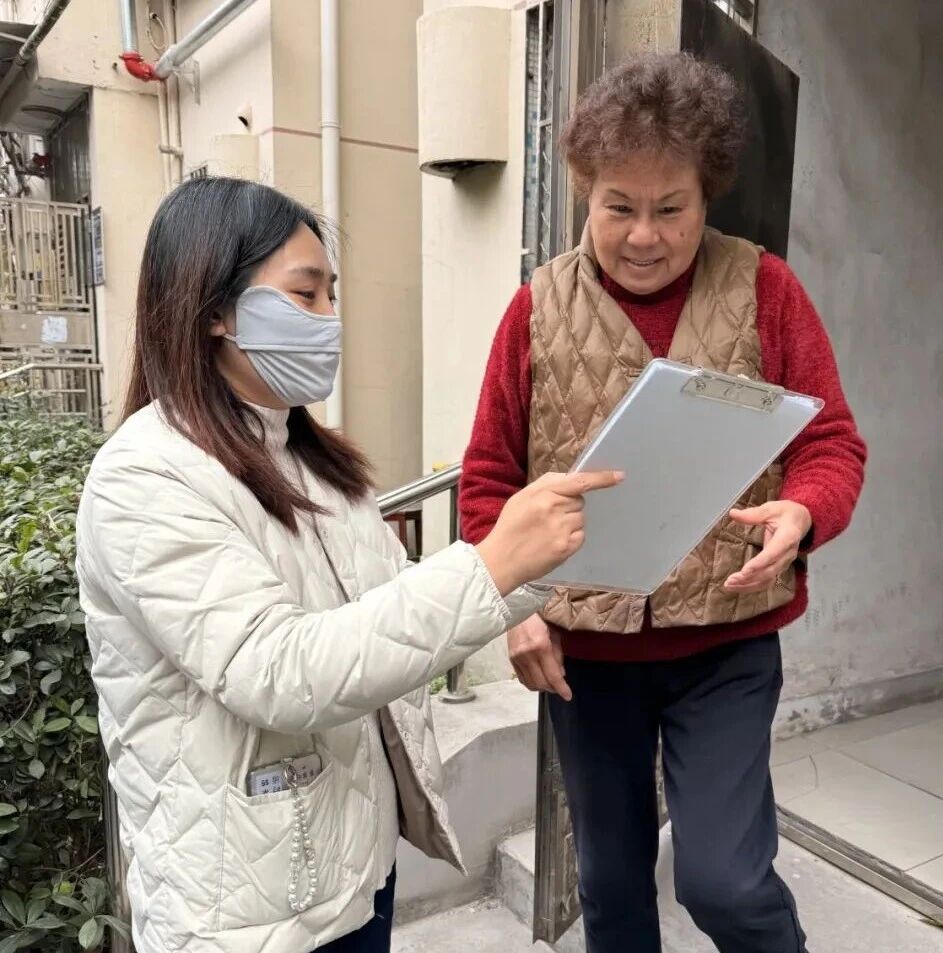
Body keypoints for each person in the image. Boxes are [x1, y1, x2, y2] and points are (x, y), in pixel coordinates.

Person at [75, 177, 621, 953]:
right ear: (214, 311)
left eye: (332, 293)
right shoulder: (145, 476)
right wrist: (491, 565)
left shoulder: (314, 463)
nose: (330, 318)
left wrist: (528, 573)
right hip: (242, 916)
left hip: (350, 867)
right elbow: (279, 670)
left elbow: (392, 614)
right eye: (305, 294)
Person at [460, 53, 867, 953]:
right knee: (609, 887)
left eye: (670, 208)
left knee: (725, 882)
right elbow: (487, 480)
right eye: (619, 207)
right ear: (584, 191)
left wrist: (803, 511)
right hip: (585, 656)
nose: (643, 236)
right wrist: (515, 608)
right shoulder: (534, 309)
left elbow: (830, 441)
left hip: (726, 645)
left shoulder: (765, 289)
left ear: (706, 194)